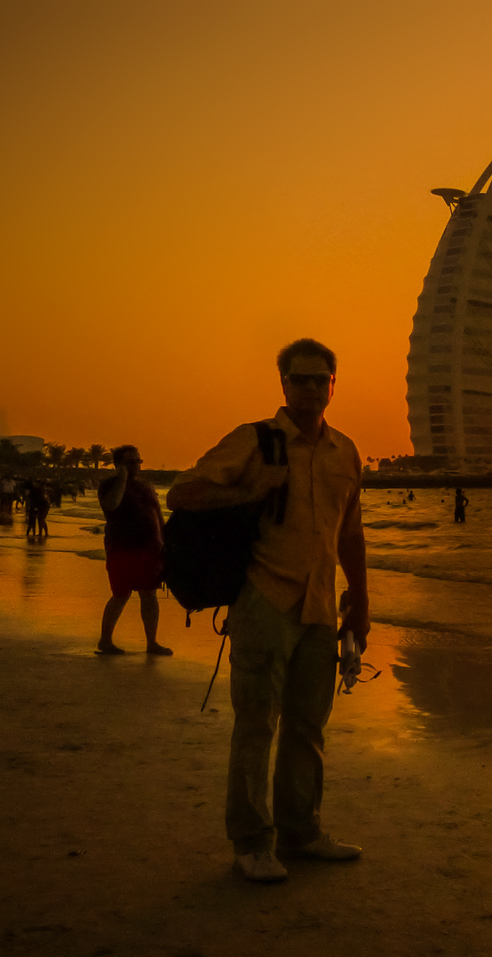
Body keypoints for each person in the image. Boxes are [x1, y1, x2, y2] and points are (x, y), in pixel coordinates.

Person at [168, 338, 368, 884]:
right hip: (264, 599)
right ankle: (252, 841)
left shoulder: (345, 452)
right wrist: (250, 490)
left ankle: (301, 832)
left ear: (333, 385)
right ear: (283, 384)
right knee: (257, 725)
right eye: (298, 379)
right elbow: (182, 494)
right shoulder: (255, 441)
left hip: (321, 608)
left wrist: (362, 605)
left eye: (319, 379)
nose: (309, 387)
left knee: (308, 726)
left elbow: (350, 533)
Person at [96, 446, 171, 656]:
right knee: (120, 595)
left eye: (138, 461)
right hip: (122, 548)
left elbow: (156, 514)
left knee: (149, 594)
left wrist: (165, 540)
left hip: (150, 548)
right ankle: (105, 641)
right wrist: (122, 478)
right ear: (119, 465)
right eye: (130, 462)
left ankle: (152, 642)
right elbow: (111, 505)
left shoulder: (145, 486)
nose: (136, 466)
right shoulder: (109, 484)